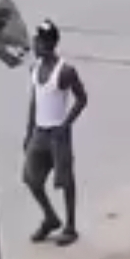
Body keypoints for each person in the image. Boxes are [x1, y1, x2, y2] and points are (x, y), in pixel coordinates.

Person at [23, 21, 88, 245]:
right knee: (30, 178)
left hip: (58, 134)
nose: (35, 43)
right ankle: (50, 217)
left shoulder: (66, 71)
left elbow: (82, 99)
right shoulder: (34, 68)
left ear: (48, 43)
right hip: (40, 133)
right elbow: (35, 101)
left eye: (38, 40)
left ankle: (70, 226)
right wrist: (28, 131)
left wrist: (67, 124)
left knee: (65, 180)